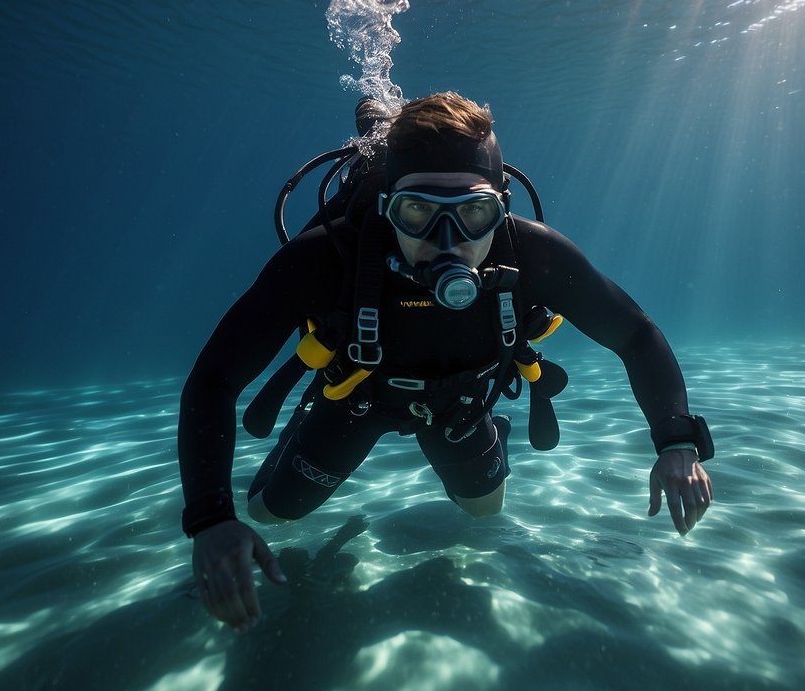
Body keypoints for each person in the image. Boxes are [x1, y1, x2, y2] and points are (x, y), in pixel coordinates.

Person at [179, 92, 715, 632]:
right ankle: (305, 426)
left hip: (459, 403)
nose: (447, 242)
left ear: (501, 206)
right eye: (418, 211)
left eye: (474, 213)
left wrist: (676, 441)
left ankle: (491, 430)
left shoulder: (533, 253)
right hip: (356, 397)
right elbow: (214, 379)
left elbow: (637, 334)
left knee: (485, 511)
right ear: (387, 204)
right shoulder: (323, 259)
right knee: (269, 514)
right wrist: (210, 519)